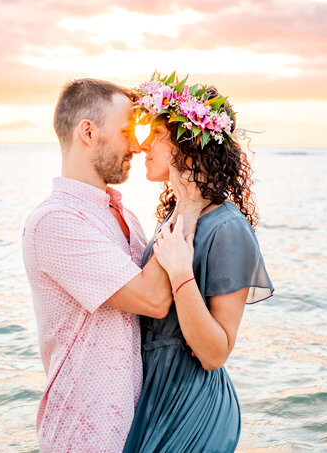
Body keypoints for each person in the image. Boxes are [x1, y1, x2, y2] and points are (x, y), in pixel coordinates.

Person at [22, 78, 204, 452]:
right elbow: (152, 298)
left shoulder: (126, 218)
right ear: (87, 132)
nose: (137, 146)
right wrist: (188, 200)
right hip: (84, 435)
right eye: (125, 132)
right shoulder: (55, 221)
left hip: (136, 431)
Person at [122, 73, 275, 452]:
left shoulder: (228, 228)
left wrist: (180, 275)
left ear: (186, 146)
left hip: (193, 403)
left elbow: (215, 352)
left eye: (155, 135)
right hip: (153, 395)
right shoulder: (177, 215)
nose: (143, 146)